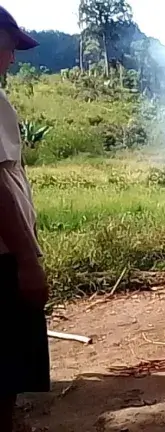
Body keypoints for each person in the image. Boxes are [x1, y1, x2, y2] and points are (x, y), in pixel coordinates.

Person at [0, 7, 50, 432]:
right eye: (9, 46)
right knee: (5, 366)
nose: (13, 58)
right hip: (2, 258)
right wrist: (28, 261)